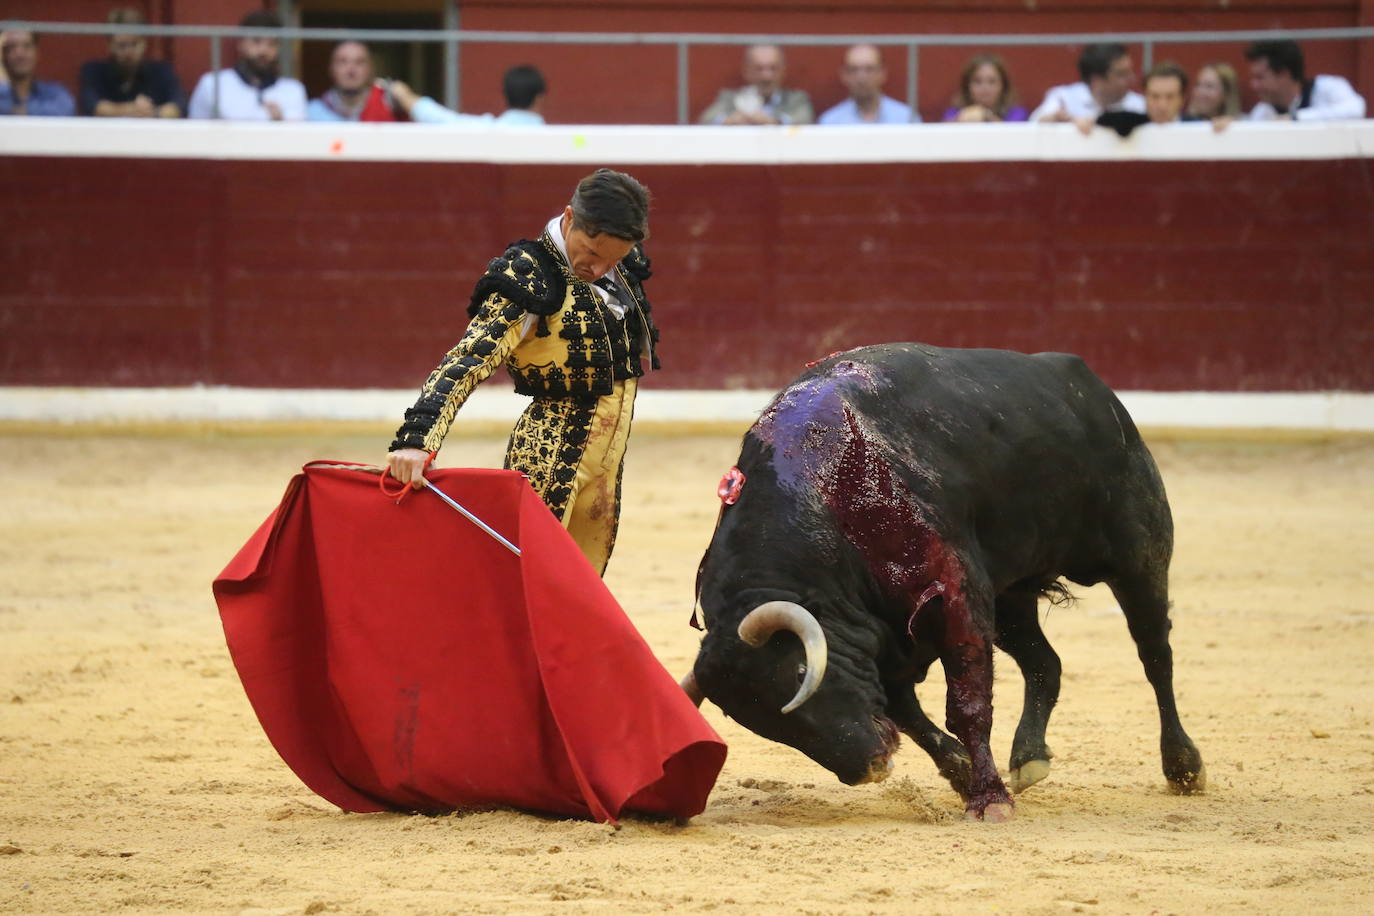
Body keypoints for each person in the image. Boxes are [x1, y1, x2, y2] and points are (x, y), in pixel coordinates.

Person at [385, 169, 660, 576]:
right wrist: (416, 439)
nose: (598, 267)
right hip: (548, 454)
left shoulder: (621, 266)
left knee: (584, 592)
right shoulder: (529, 275)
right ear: (569, 219)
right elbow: (467, 360)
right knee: (523, 582)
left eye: (613, 259)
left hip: (607, 461)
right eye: (590, 251)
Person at [187, 10, 306, 121]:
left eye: (272, 44)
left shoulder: (293, 90)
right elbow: (194, 132)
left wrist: (281, 121)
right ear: (240, 43)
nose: (264, 50)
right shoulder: (213, 84)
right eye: (256, 41)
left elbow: (299, 138)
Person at [79, 8, 183, 118]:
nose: (128, 52)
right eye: (122, 45)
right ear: (109, 45)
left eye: (134, 44)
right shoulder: (94, 72)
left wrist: (153, 112)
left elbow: (178, 107)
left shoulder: (162, 72)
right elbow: (93, 106)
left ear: (144, 43)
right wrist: (132, 109)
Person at [1244, 39, 1366, 121]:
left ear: (1284, 74)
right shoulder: (1263, 111)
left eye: (1260, 77)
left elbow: (1356, 109)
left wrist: (1295, 118)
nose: (1254, 85)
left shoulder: (1327, 87)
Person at [698, 44, 813, 125]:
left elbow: (806, 119)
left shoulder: (796, 99)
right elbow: (706, 120)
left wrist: (774, 121)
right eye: (759, 69)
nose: (766, 77)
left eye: (773, 69)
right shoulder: (730, 98)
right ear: (746, 71)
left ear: (783, 71)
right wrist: (730, 120)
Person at [1029, 42, 1144, 122]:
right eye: (1121, 74)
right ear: (1096, 80)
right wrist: (1057, 119)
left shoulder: (1140, 105)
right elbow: (1034, 125)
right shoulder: (1063, 98)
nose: (1131, 78)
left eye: (1129, 72)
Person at [1077, 61, 1197, 137]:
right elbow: (1106, 119)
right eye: (1155, 96)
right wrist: (1089, 122)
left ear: (1182, 98)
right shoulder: (1132, 122)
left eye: (1170, 97)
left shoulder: (1198, 125)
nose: (1162, 105)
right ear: (1145, 97)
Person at [817, 44, 914, 125]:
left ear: (882, 74)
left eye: (869, 69)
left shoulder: (906, 118)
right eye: (853, 70)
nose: (861, 78)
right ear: (844, 76)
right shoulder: (830, 122)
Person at [306, 40, 397, 122]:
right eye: (343, 62)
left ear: (371, 69)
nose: (351, 70)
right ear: (331, 68)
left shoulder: (390, 107)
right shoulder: (310, 113)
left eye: (359, 62)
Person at [0, 30, 76, 117]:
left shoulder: (54, 93)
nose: (20, 54)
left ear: (36, 52)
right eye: (11, 47)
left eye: (27, 46)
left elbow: (65, 111)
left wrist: (18, 112)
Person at [942, 53, 1027, 122]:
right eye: (977, 81)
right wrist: (958, 120)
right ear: (967, 86)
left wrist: (986, 116)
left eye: (992, 81)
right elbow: (942, 133)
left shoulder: (1016, 113)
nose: (985, 87)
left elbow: (1013, 136)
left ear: (1003, 85)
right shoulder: (954, 112)